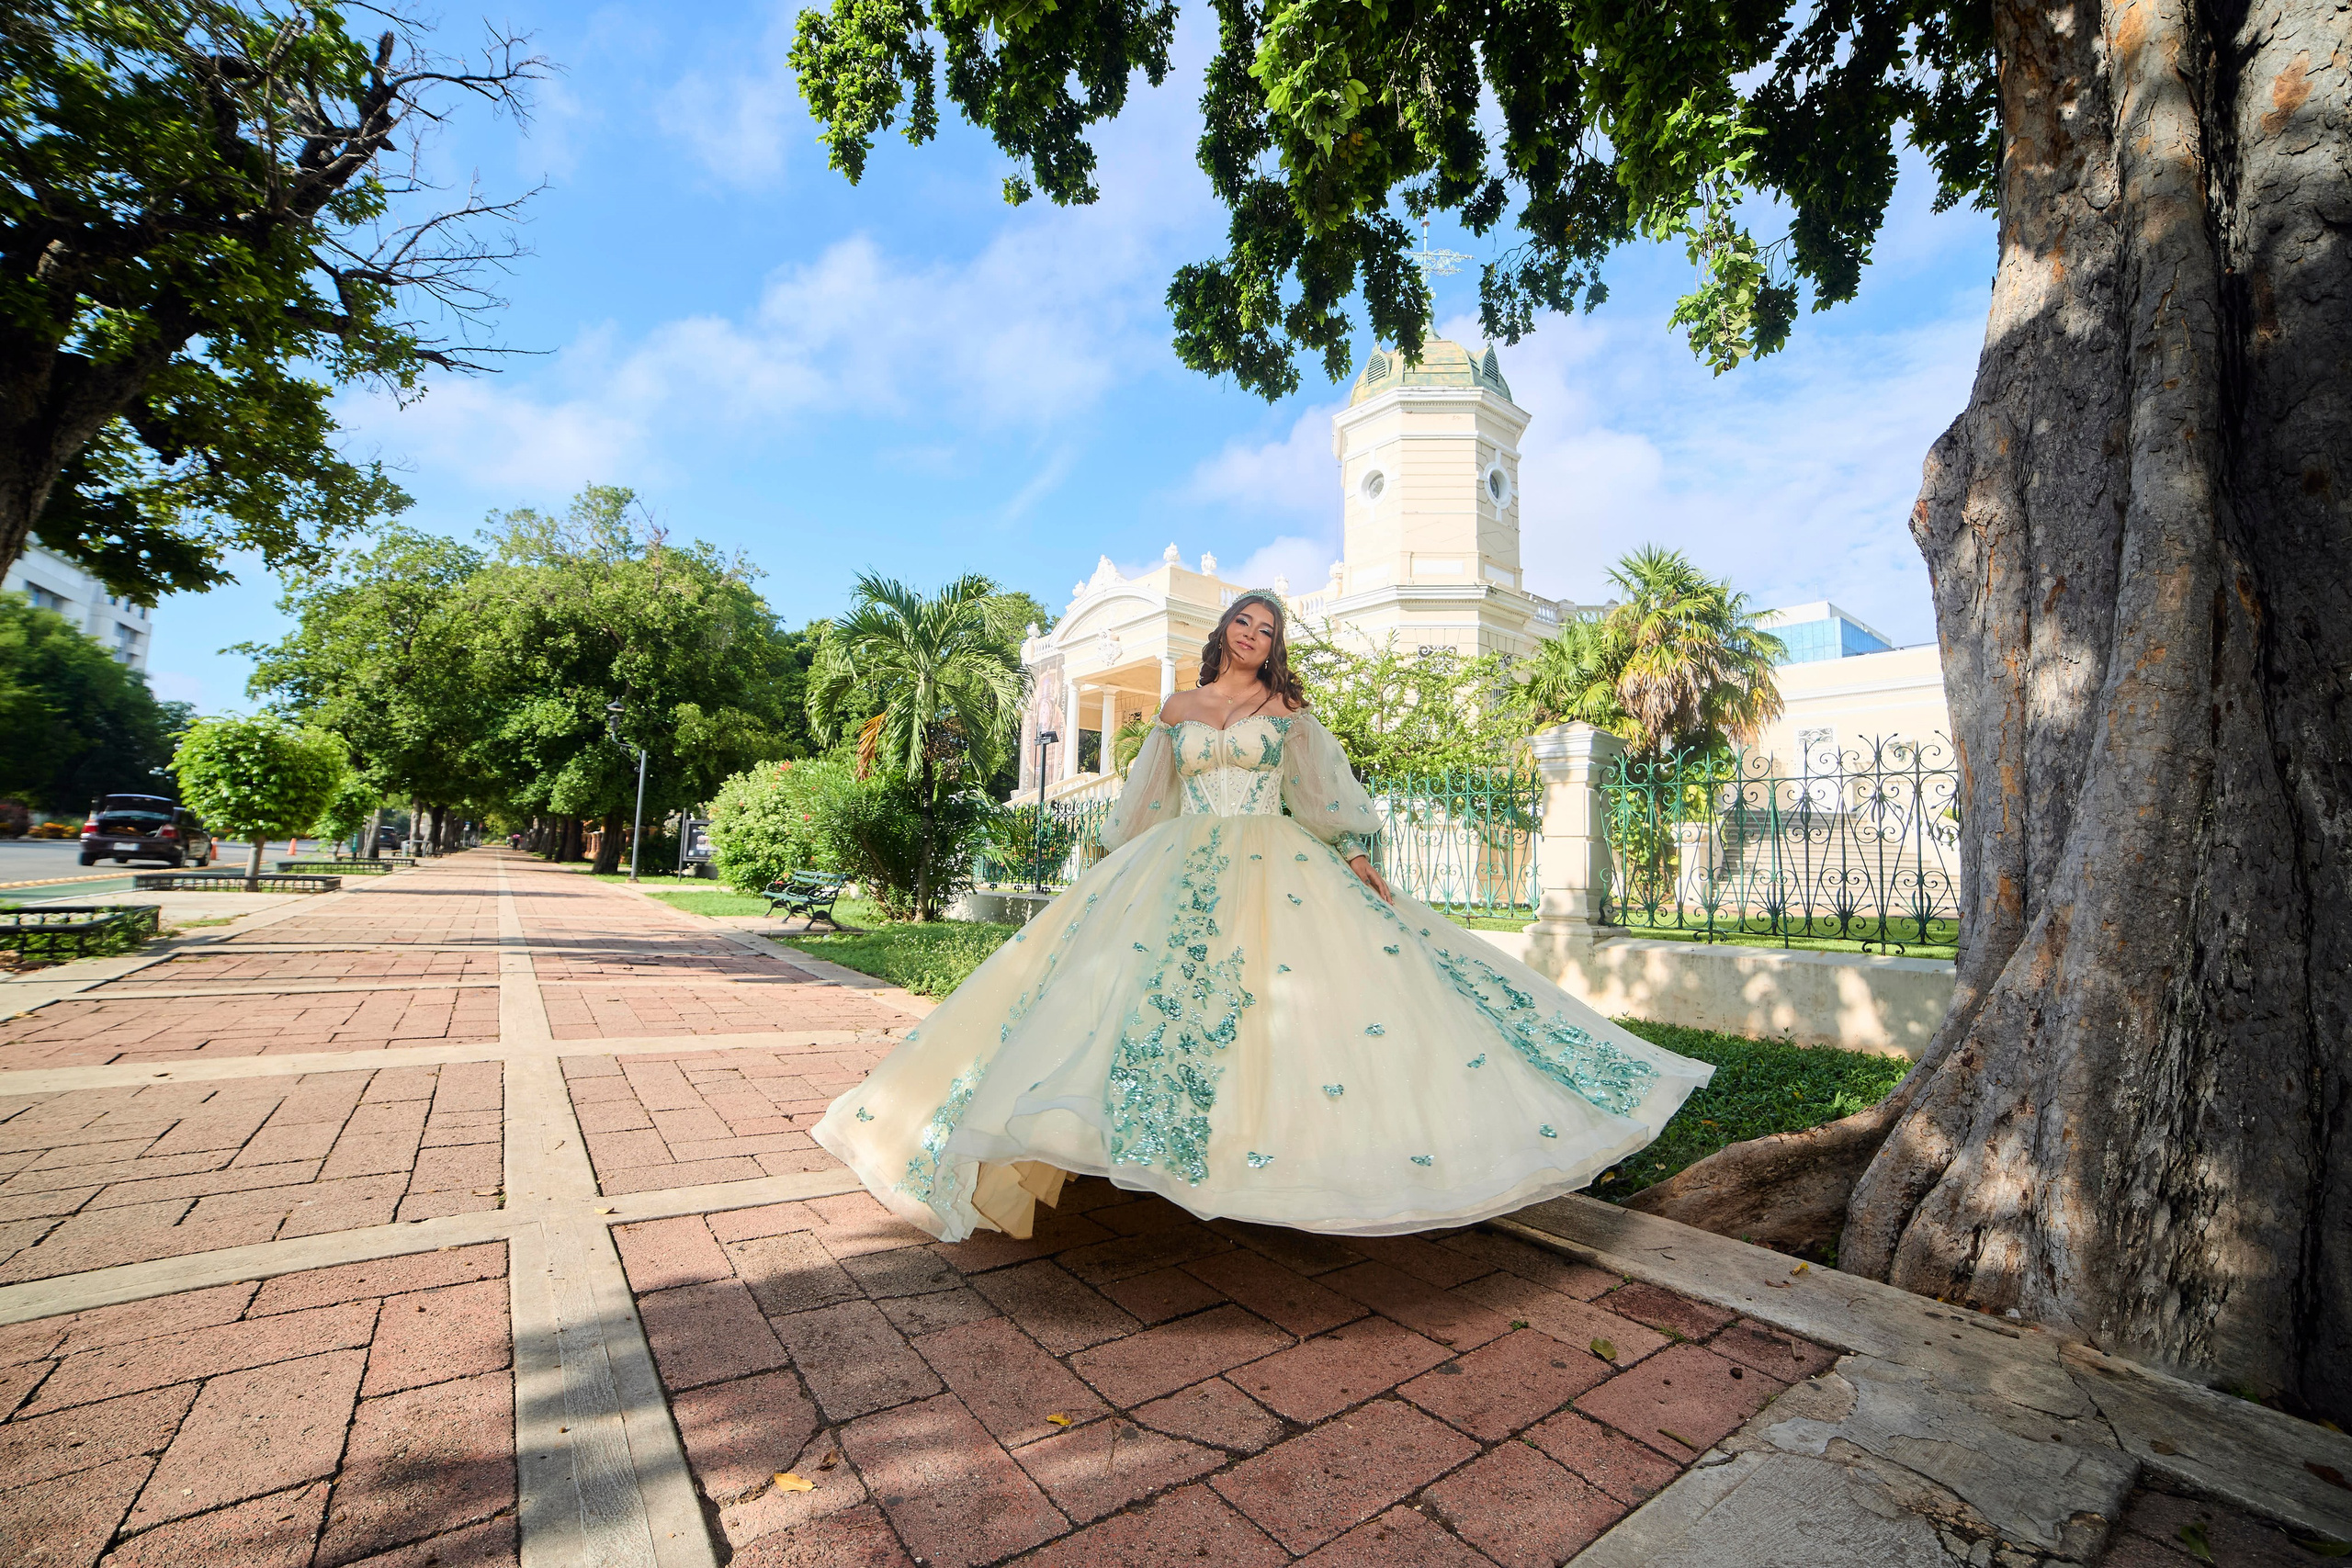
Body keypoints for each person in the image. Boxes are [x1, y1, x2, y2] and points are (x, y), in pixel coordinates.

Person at [812, 592, 1713, 1241]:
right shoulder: (1177, 708)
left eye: (1268, 628)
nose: (1253, 634)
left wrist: (1358, 856)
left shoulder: (1288, 711)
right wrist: (1108, 860)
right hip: (1177, 860)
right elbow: (1144, 797)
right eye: (1244, 622)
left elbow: (1324, 795)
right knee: (1116, 1002)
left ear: (1276, 646)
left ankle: (1264, 1164)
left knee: (1292, 1009)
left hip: (1274, 861)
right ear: (1222, 633)